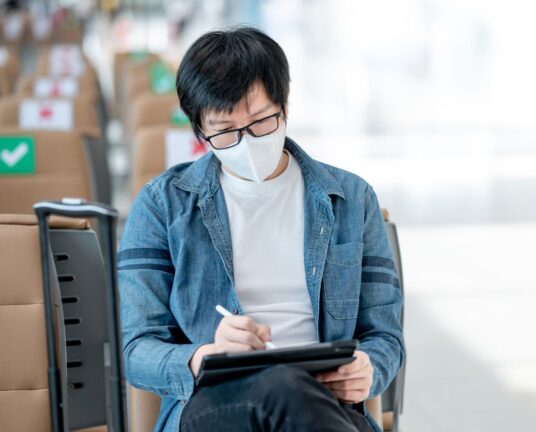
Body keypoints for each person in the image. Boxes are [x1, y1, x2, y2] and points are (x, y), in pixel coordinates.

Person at [118, 26, 404, 432]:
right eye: (225, 130)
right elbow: (134, 350)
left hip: (324, 400)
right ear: (200, 131)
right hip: (213, 404)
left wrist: (369, 368)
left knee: (291, 387)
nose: (247, 141)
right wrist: (207, 355)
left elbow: (385, 336)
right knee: (279, 382)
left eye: (261, 122)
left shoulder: (352, 200)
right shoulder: (161, 206)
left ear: (284, 107)